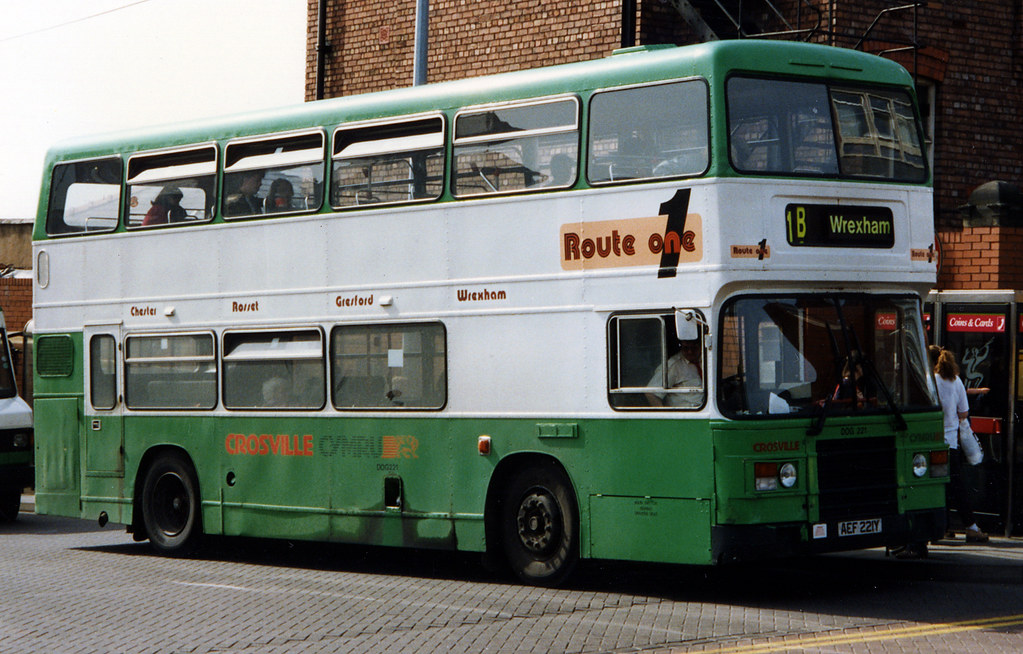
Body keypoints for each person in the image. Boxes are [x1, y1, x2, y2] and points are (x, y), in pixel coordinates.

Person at [930, 345, 988, 543]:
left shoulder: (930, 381)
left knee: (940, 485)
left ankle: (943, 526)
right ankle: (971, 527)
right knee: (956, 485)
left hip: (932, 442)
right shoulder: (956, 382)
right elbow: (964, 413)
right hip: (951, 442)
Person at [646, 338, 703, 407]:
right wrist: (664, 413)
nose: (690, 352)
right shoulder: (673, 365)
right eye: (685, 348)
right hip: (684, 411)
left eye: (694, 348)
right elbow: (651, 393)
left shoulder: (706, 361)